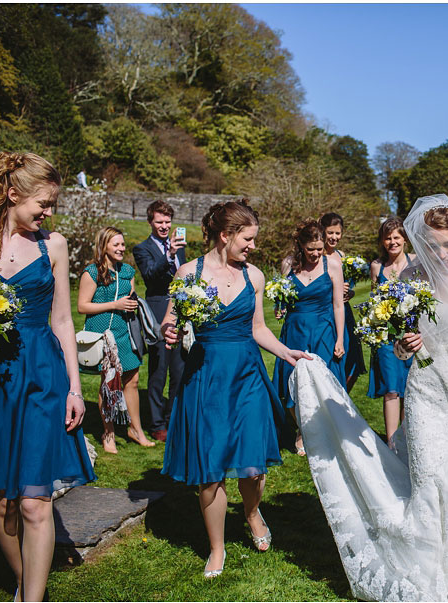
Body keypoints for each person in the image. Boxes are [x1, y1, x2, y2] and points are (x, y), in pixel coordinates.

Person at [290, 195, 448, 601]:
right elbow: (397, 346)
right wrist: (403, 344)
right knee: (433, 479)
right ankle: (431, 576)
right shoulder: (411, 277)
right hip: (428, 391)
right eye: (430, 246)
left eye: (447, 245)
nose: (439, 254)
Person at [160, 200, 310, 577]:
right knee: (210, 469)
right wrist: (170, 329)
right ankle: (217, 548)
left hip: (247, 375)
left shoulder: (254, 277)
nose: (253, 247)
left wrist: (285, 351)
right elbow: (171, 321)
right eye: (248, 239)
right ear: (225, 236)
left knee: (254, 467)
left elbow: (258, 328)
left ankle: (252, 511)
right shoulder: (187, 274)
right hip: (206, 378)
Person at [0, 151, 96, 602]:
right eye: (43, 204)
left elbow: (64, 320)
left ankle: (32, 598)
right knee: (2, 503)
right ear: (12, 195)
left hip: (43, 374)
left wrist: (73, 387)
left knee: (33, 501)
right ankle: (25, 580)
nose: (49, 213)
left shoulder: (55, 246)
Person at [78, 227, 154, 453]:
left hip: (124, 332)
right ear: (104, 246)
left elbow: (130, 299)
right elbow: (82, 306)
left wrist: (132, 305)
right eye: (116, 245)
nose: (121, 248)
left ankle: (136, 429)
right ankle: (108, 432)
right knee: (109, 383)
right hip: (102, 334)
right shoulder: (92, 273)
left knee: (132, 380)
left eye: (122, 244)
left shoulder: (128, 271)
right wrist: (114, 305)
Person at [273, 219, 346, 455]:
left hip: (324, 329)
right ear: (301, 245)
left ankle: (322, 429)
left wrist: (340, 339)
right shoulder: (288, 265)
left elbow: (338, 305)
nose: (316, 254)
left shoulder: (332, 265)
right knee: (292, 382)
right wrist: (280, 306)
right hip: (295, 329)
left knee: (321, 381)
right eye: (311, 249)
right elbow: (282, 299)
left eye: (319, 248)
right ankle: (302, 428)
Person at [132, 200, 186, 442]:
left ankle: (173, 418)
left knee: (179, 368)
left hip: (180, 308)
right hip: (156, 308)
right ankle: (156, 423)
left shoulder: (179, 245)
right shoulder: (142, 248)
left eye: (167, 222)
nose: (164, 226)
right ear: (150, 222)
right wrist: (170, 254)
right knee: (158, 369)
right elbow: (150, 276)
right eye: (159, 222)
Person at [367, 217, 414, 443]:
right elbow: (374, 301)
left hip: (412, 335)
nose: (392, 242)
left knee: (409, 390)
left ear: (404, 239)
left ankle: (406, 439)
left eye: (396, 237)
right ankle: (392, 442)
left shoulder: (416, 262)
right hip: (386, 336)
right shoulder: (377, 266)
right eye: (387, 238)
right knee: (392, 389)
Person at [320, 212, 366, 391]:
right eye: (330, 233)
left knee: (352, 362)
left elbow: (346, 285)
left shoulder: (341, 255)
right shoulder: (317, 255)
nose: (334, 237)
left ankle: (343, 399)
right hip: (328, 313)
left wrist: (350, 292)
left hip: (345, 313)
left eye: (337, 233)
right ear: (322, 231)